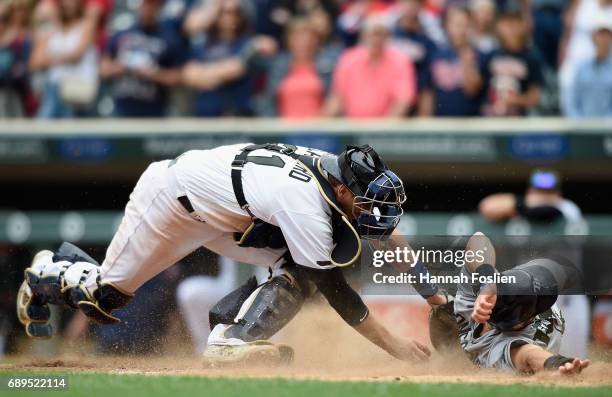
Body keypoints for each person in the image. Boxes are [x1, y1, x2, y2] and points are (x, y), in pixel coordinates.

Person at [17, 143, 446, 366]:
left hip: (222, 215)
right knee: (104, 298)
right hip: (171, 200)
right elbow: (336, 292)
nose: (374, 212)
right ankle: (44, 273)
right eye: (366, 202)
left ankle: (229, 337)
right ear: (340, 189)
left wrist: (435, 300)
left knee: (291, 265)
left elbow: (389, 235)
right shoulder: (303, 200)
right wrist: (394, 346)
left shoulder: (332, 172)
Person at [437, 232, 590, 375]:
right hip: (537, 321)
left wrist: (487, 283)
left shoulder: (473, 300)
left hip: (536, 306)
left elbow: (478, 238)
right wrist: (557, 363)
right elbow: (530, 354)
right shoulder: (508, 342)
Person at [479, 169, 590, 359]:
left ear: (558, 194)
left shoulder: (567, 209)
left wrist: (521, 205)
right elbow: (487, 206)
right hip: (533, 304)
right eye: (539, 191)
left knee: (574, 360)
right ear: (530, 192)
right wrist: (521, 204)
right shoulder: (521, 211)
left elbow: (545, 212)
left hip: (568, 302)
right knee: (534, 361)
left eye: (549, 192)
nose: (544, 197)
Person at [182, 0, 277, 116]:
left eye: (235, 12)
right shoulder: (205, 44)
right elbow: (190, 75)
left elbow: (235, 69)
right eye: (224, 12)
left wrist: (206, 75)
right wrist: (222, 73)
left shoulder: (247, 43)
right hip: (206, 117)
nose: (230, 17)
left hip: (237, 116)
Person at [323, 15, 417, 118]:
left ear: (388, 37)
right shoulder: (349, 59)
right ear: (364, 36)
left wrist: (385, 128)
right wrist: (323, 123)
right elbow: (337, 98)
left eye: (381, 34)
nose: (376, 39)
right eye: (372, 34)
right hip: (352, 127)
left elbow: (403, 100)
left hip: (387, 130)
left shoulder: (401, 61)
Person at [100, 0, 182, 117]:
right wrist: (120, 67)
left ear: (158, 8)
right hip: (122, 110)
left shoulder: (169, 39)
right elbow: (103, 69)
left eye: (152, 5)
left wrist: (154, 74)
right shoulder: (122, 34)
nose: (147, 9)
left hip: (154, 113)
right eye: (145, 4)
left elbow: (179, 77)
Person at [29, 0, 99, 118]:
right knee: (44, 123)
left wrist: (50, 59)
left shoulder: (86, 25)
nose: (68, 5)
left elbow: (76, 55)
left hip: (76, 87)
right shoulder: (52, 29)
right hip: (53, 86)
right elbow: (34, 62)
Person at [260, 18, 338, 118]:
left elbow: (334, 99)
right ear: (289, 40)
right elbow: (269, 100)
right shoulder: (278, 66)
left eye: (308, 38)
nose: (304, 43)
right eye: (298, 38)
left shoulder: (328, 66)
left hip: (319, 128)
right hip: (283, 130)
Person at [419, 6, 483, 117]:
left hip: (470, 123)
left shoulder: (480, 55)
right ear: (447, 26)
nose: (462, 30)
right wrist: (425, 121)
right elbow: (427, 92)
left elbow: (472, 90)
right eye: (458, 24)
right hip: (440, 122)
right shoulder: (435, 54)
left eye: (466, 25)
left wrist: (467, 62)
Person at [480, 7, 543, 116]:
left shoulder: (531, 57)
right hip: (490, 120)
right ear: (498, 26)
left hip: (518, 122)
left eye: (515, 22)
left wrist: (516, 100)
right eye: (506, 22)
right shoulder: (490, 55)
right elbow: (474, 90)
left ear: (523, 25)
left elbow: (535, 98)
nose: (510, 27)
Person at [390, 0, 437, 115]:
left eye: (414, 3)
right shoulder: (388, 36)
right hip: (390, 98)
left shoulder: (428, 41)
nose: (409, 7)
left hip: (418, 98)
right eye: (406, 3)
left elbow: (428, 81)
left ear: (420, 7)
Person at [567, 15, 612, 118]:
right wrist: (581, 125)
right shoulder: (581, 68)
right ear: (593, 37)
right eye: (600, 34)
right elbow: (573, 101)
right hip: (582, 129)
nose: (603, 39)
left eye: (606, 35)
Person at [0, 0, 34, 118]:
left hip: (17, 91)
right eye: (14, 11)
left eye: (3, 18)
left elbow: (26, 66)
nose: (18, 14)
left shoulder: (26, 38)